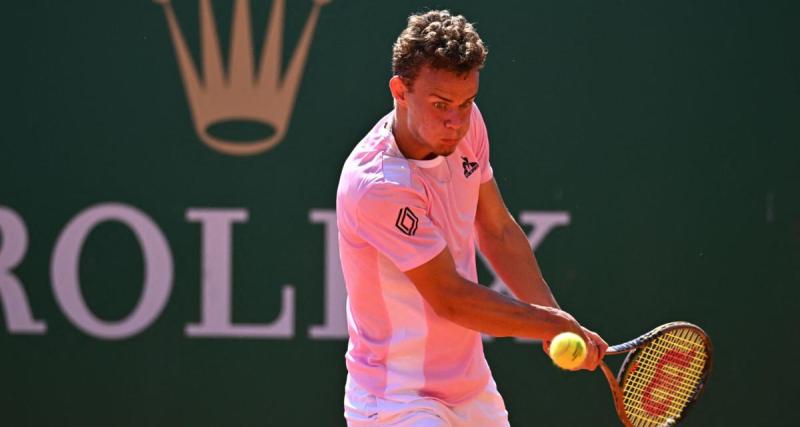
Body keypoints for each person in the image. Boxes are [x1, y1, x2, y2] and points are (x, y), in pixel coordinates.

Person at [336, 10, 608, 426]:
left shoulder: (467, 127)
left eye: (466, 103)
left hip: (471, 390)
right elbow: (450, 298)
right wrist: (548, 323)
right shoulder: (377, 185)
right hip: (395, 400)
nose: (456, 122)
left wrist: (554, 319)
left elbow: (497, 230)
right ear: (400, 91)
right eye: (440, 105)